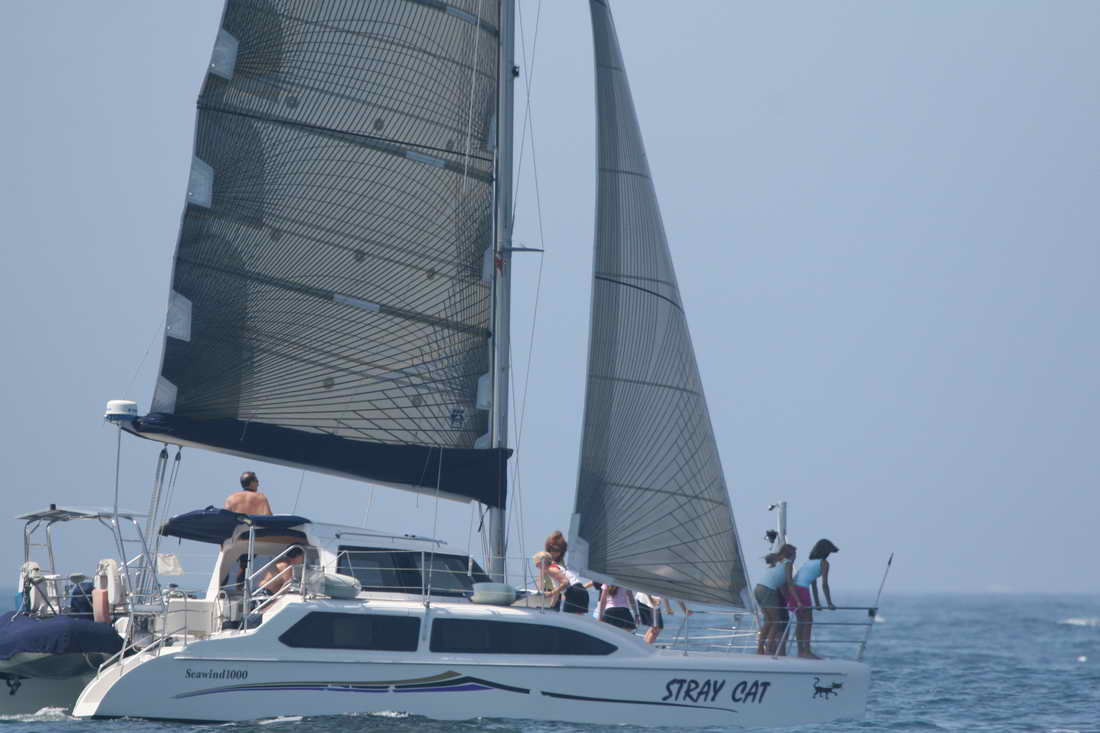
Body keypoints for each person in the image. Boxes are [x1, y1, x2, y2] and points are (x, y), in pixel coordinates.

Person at [788, 539, 839, 659]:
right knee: (807, 621)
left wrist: (817, 603)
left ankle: (801, 651)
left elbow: (814, 584)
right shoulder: (824, 563)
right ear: (826, 552)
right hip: (802, 591)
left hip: (793, 590)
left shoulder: (809, 562)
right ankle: (806, 651)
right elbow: (824, 585)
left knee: (801, 622)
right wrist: (829, 603)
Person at [755, 544, 797, 655]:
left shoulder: (776, 562)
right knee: (776, 621)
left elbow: (781, 583)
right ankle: (769, 649)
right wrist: (797, 601)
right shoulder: (788, 564)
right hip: (768, 590)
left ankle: (760, 649)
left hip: (758, 588)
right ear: (791, 555)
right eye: (795, 554)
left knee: (769, 621)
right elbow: (789, 583)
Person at [544, 530, 592, 614]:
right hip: (577, 591)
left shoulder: (553, 566)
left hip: (568, 591)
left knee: (568, 617)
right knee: (574, 618)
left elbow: (564, 583)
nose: (554, 553)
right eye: (552, 550)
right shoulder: (554, 565)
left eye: (557, 550)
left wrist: (552, 593)